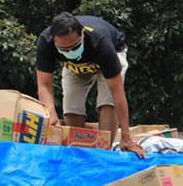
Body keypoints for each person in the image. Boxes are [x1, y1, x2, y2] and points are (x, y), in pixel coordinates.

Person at [36, 12, 144, 157]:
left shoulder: (100, 41)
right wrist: (52, 120)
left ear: (82, 33)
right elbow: (44, 85)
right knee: (71, 108)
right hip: (73, 68)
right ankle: (79, 153)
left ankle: (104, 152)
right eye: (64, 50)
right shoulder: (45, 42)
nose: (70, 51)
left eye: (74, 47)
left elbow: (116, 92)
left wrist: (126, 137)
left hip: (110, 56)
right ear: (54, 41)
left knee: (107, 103)